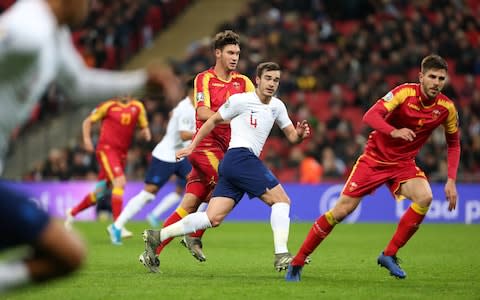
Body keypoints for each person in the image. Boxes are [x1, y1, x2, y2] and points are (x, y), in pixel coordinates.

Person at [0, 0, 177, 292]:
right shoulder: (28, 29)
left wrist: (142, 81)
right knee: (65, 252)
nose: (93, 6)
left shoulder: (51, 33)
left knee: (68, 254)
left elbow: (79, 84)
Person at [285, 54, 460, 282]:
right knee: (340, 212)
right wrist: (394, 131)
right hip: (374, 159)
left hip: (403, 164)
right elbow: (370, 115)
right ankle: (297, 262)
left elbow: (454, 143)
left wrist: (451, 179)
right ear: (421, 77)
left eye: (441, 78)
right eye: (432, 77)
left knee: (425, 197)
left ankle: (389, 254)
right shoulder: (404, 93)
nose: (436, 82)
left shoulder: (447, 108)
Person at [141, 62, 311, 274]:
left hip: (232, 164)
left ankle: (158, 236)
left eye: (276, 80)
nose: (271, 83)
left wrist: (300, 136)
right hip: (241, 157)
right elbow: (211, 121)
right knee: (282, 201)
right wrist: (192, 146)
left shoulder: (277, 106)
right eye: (267, 78)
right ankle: (281, 254)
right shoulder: (240, 100)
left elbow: (292, 137)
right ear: (257, 80)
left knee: (212, 218)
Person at [139, 30, 255, 267]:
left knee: (189, 205)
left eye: (238, 53)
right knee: (229, 188)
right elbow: (202, 112)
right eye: (230, 52)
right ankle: (195, 235)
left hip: (227, 149)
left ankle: (153, 249)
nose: (235, 57)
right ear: (218, 53)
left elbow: (258, 110)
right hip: (205, 147)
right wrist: (233, 118)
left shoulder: (243, 82)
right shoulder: (204, 79)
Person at [106, 78, 196, 245]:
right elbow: (184, 134)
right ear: (193, 91)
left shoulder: (194, 107)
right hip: (166, 155)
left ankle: (191, 231)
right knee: (149, 193)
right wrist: (206, 131)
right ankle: (117, 226)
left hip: (182, 156)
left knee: (200, 188)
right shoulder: (186, 108)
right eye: (201, 89)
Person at [64, 96, 151, 243]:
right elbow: (87, 121)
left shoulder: (138, 106)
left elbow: (144, 125)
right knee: (120, 182)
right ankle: (118, 225)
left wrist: (146, 132)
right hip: (106, 150)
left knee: (101, 192)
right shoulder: (108, 106)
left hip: (121, 154)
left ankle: (72, 213)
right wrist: (87, 139)